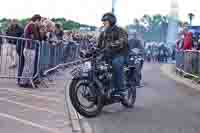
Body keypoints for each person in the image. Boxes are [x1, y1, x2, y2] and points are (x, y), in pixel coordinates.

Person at [97, 12, 129, 99]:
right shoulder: (103, 33)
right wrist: (89, 51)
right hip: (107, 56)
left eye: (105, 21)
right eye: (103, 21)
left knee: (116, 64)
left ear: (111, 21)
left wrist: (112, 45)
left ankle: (121, 89)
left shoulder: (119, 30)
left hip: (120, 54)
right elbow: (98, 46)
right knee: (95, 65)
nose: (103, 23)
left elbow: (123, 41)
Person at [20, 14, 42, 87]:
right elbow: (37, 37)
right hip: (29, 48)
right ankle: (24, 82)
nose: (40, 23)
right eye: (40, 21)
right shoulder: (31, 25)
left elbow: (38, 37)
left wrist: (38, 29)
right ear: (37, 20)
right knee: (28, 66)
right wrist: (38, 29)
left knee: (29, 66)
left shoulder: (32, 25)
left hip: (30, 48)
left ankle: (27, 81)